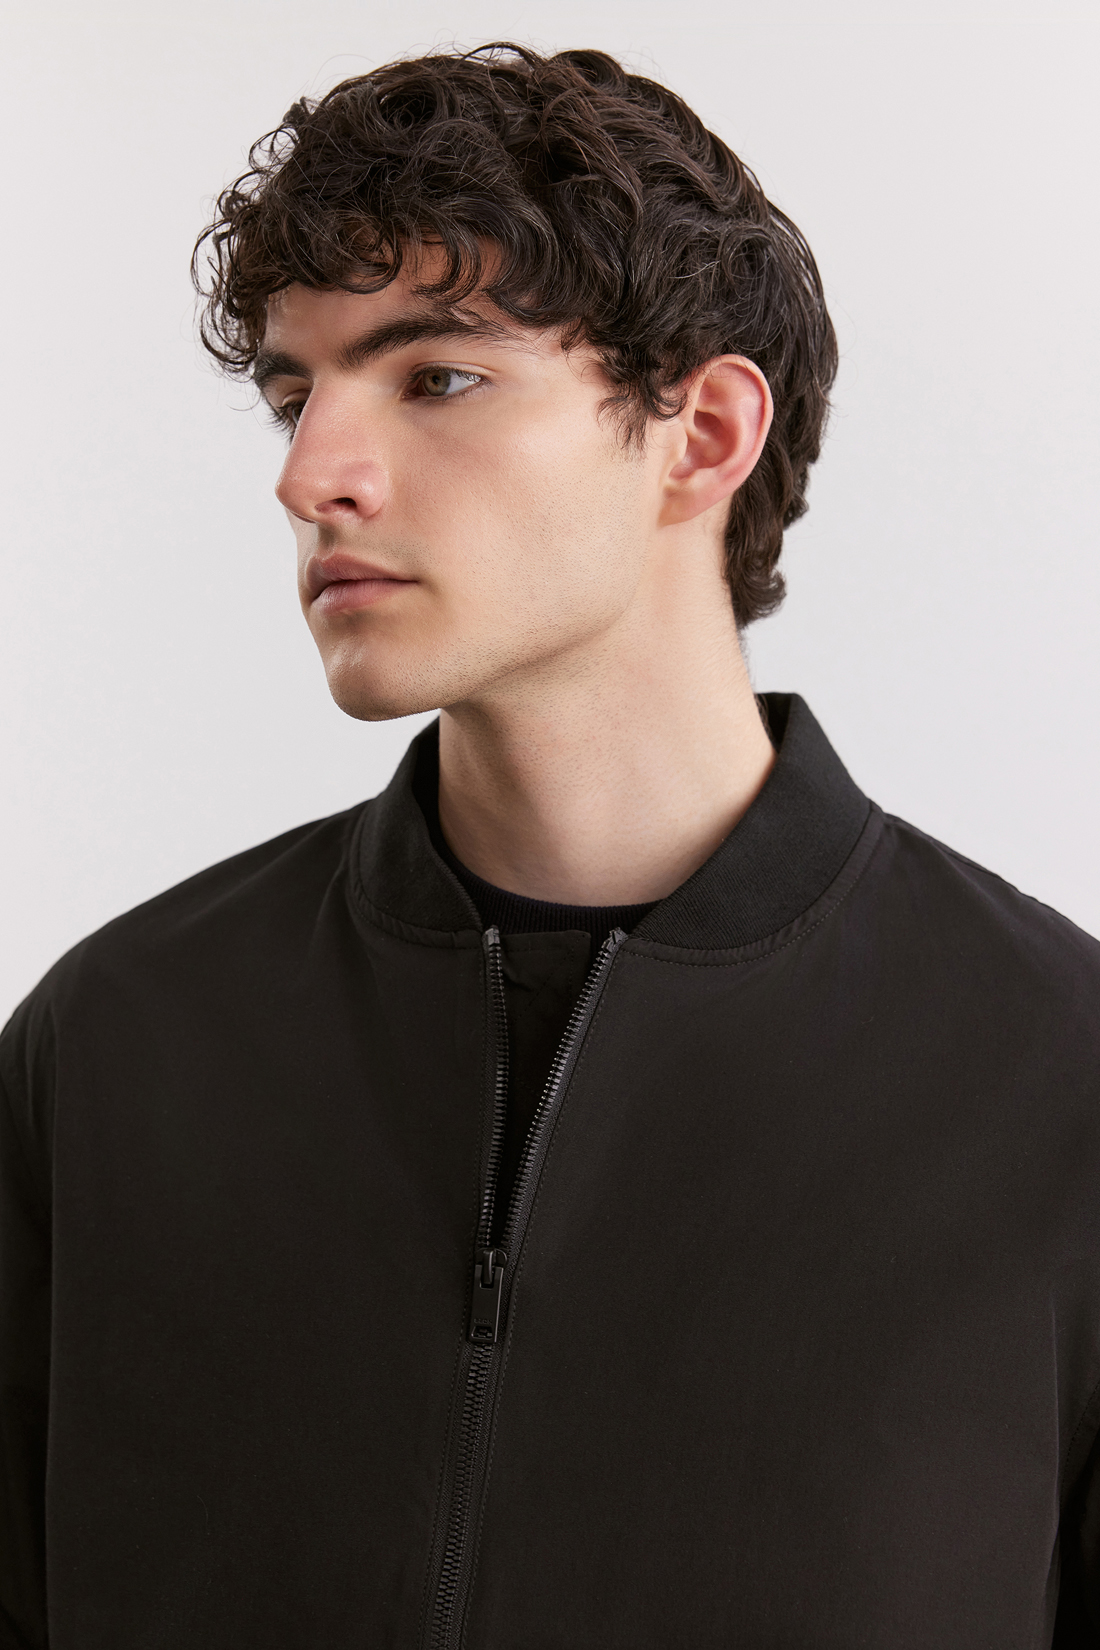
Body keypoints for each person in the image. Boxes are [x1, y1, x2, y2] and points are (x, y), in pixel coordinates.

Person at [2, 42, 1098, 1650]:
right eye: (296, 397)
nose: (311, 475)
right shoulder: (112, 1052)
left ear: (701, 434)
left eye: (436, 378)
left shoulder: (1057, 1088)